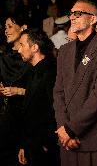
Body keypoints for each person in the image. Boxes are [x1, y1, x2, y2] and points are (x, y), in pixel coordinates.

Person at [53, 0, 97, 166]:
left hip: (94, 141)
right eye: (71, 14)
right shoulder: (64, 51)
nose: (72, 17)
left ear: (93, 19)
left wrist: (71, 129)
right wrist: (63, 129)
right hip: (67, 141)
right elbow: (58, 92)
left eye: (78, 13)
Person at [17, 28, 60, 166]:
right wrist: (24, 145)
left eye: (22, 45)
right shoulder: (32, 72)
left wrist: (47, 143)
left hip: (46, 148)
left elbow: (56, 109)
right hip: (32, 146)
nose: (19, 50)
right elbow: (29, 113)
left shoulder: (50, 72)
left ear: (35, 47)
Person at [0, 15, 32, 166]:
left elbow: (43, 93)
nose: (6, 30)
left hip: (27, 123)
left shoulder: (33, 57)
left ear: (23, 27)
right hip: (7, 123)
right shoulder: (3, 57)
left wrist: (19, 91)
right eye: (5, 27)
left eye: (10, 26)